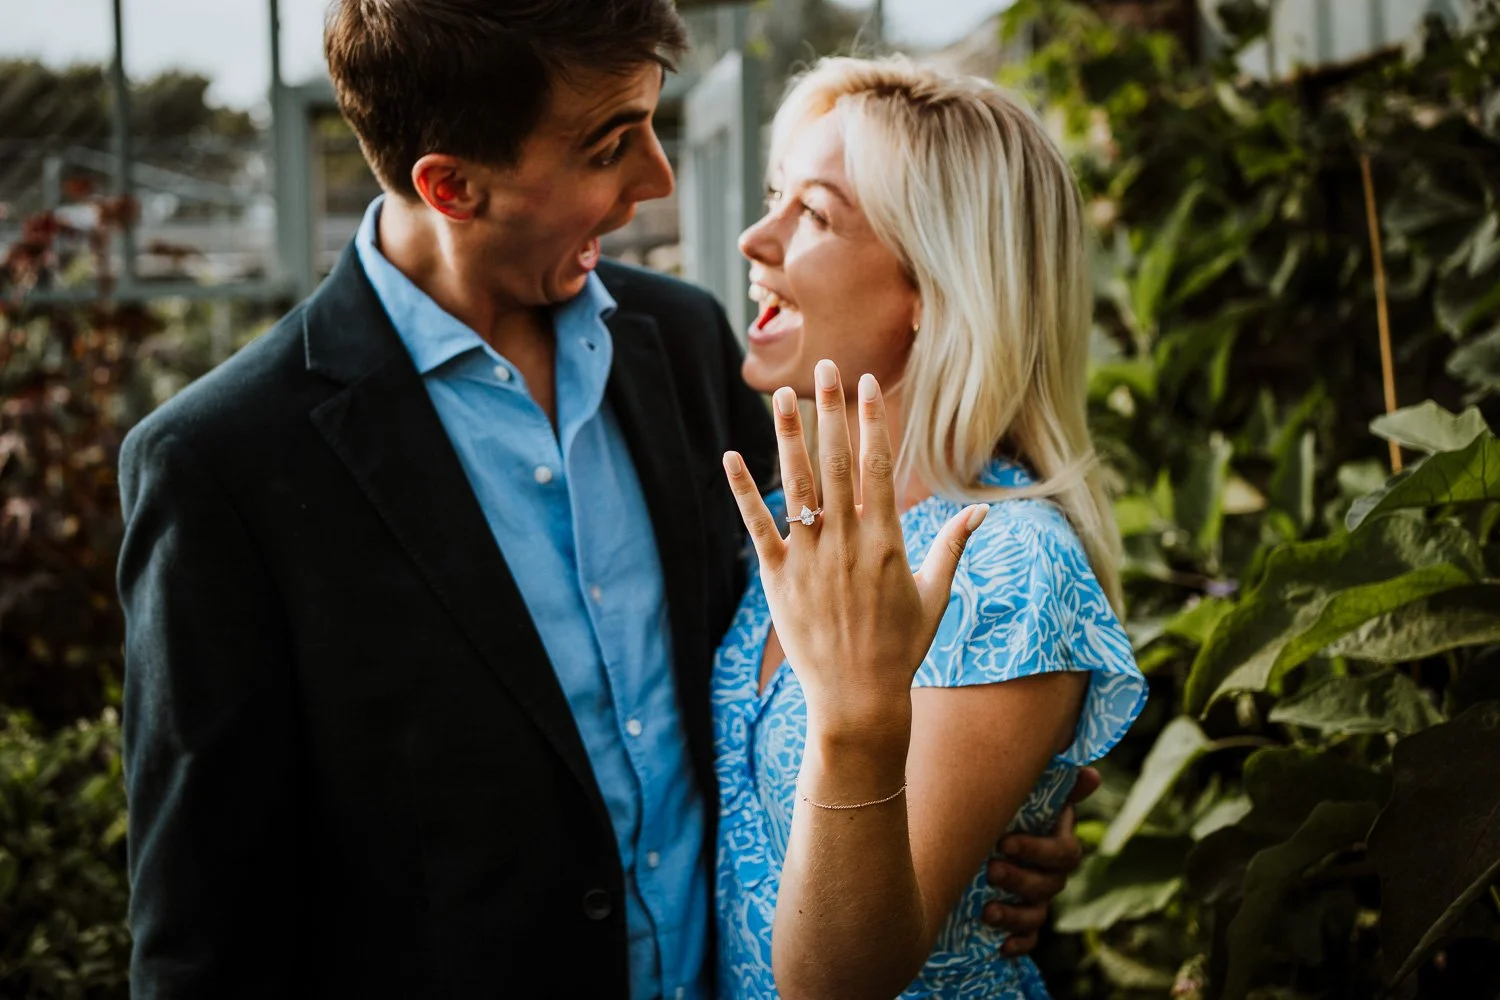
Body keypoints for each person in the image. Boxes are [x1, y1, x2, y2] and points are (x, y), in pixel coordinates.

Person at [115, 4, 1088, 997]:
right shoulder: (222, 467)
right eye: (608, 144)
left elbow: (840, 663)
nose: (657, 178)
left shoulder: (687, 347)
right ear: (450, 185)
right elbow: (202, 936)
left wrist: (996, 810)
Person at [713, 58, 1148, 998]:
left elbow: (839, 983)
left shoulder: (1009, 565)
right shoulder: (801, 531)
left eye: (814, 214)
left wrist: (856, 716)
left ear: (931, 287)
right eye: (773, 197)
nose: (755, 238)